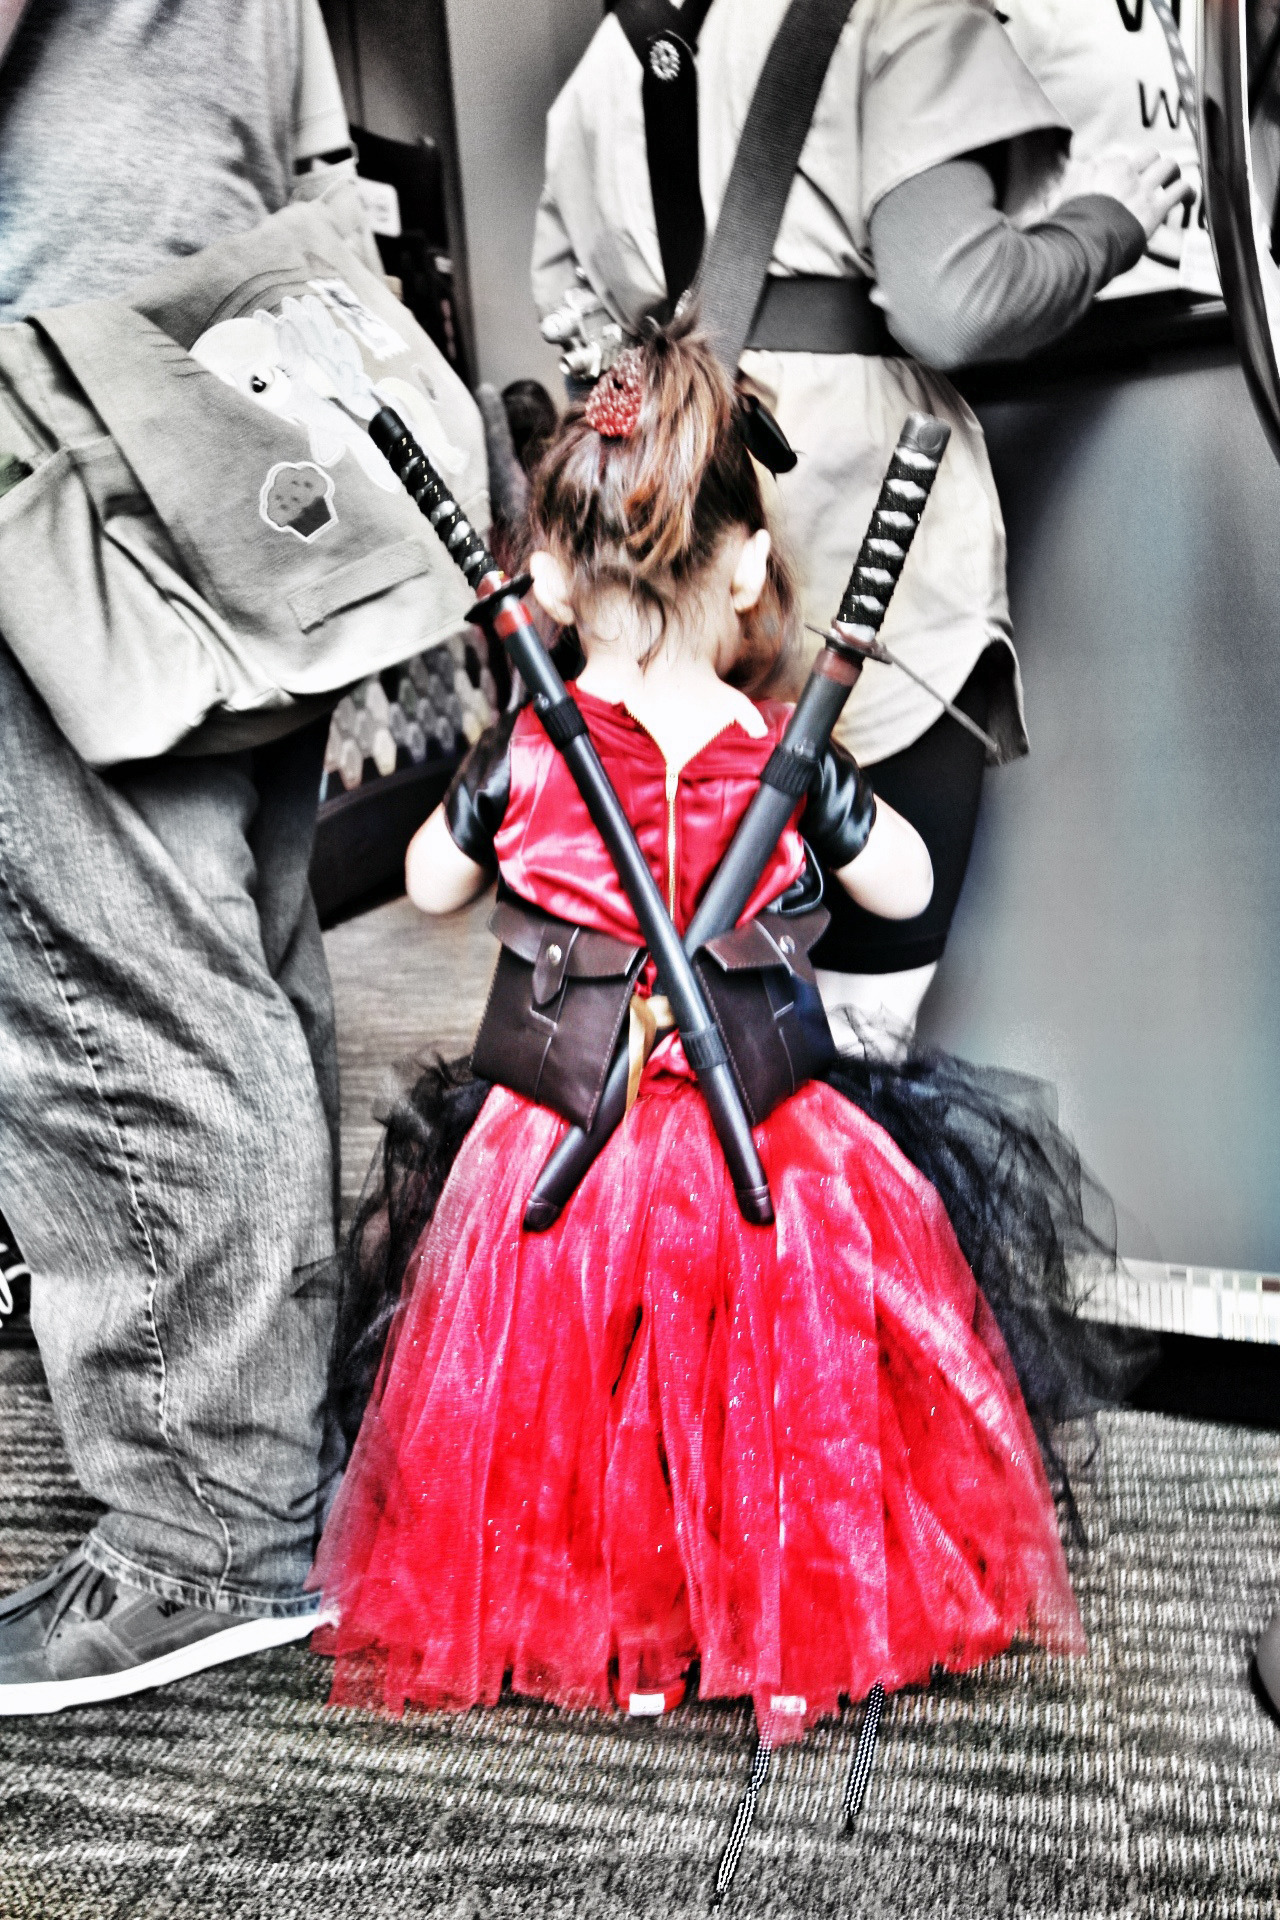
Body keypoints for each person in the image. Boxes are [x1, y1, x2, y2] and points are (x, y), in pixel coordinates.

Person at [309, 325, 1129, 1746]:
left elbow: (431, 886)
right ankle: (769, 1613)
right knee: (771, 1376)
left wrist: (483, 805)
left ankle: (619, 1633)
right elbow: (904, 888)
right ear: (747, 567)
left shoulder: (524, 755)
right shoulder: (785, 753)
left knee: (573, 1375)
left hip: (560, 1129)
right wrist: (834, 804)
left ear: (548, 576)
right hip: (763, 1128)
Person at [532, 0, 1191, 1053]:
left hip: (665, 578)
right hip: (866, 557)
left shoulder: (594, 79)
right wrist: (1109, 219)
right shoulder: (892, 11)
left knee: (697, 1003)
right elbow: (956, 300)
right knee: (865, 1024)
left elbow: (584, 350)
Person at [0, 0, 377, 1713]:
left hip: (48, 391)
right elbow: (313, 140)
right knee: (233, 947)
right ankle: (285, 1458)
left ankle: (207, 1522)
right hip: (221, 375)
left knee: (103, 967)